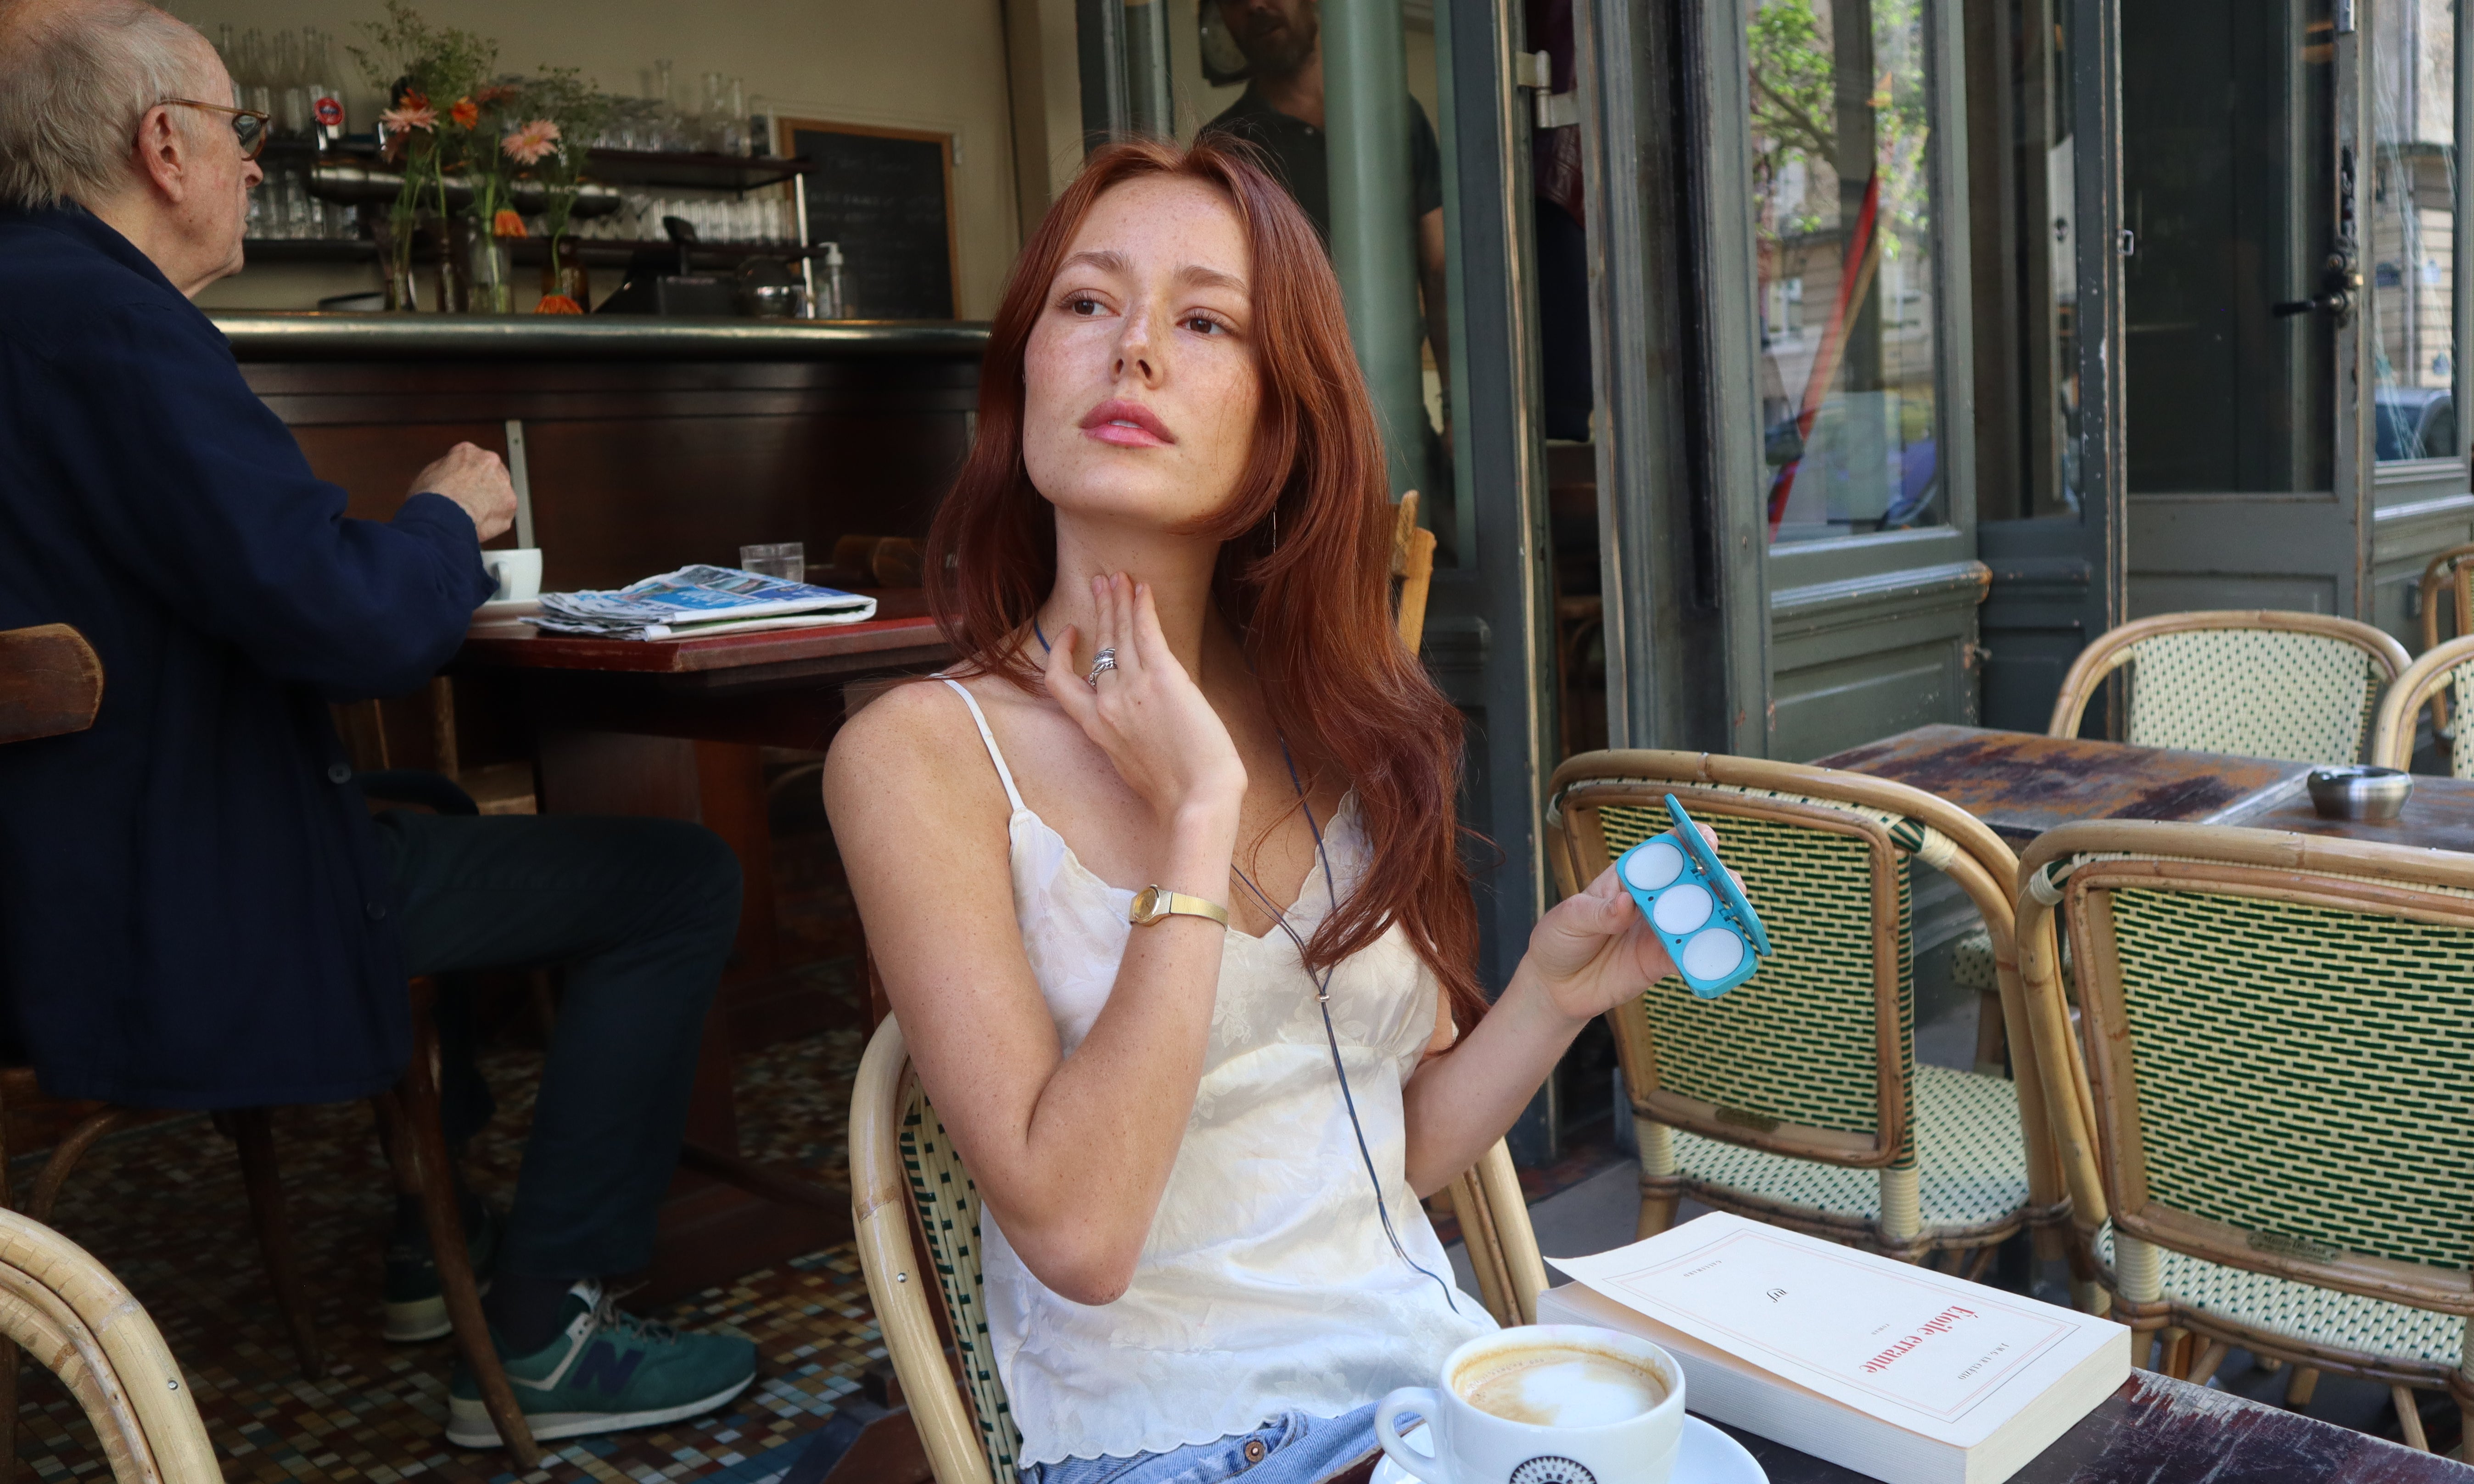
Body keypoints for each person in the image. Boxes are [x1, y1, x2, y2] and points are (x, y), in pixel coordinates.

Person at [824, 135, 1688, 1484]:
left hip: (1436, 1399)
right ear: (1024, 373)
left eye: (1205, 319)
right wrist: (1197, 818)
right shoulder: (920, 756)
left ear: (1281, 422)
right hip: (1181, 1445)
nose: (1137, 352)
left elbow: (1379, 1157)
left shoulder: (1339, 720)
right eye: (1089, 302)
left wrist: (1553, 994)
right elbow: (1080, 1235)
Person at [0, 0, 756, 1448]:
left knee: (445, 818)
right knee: (677, 879)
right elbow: (351, 623)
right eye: (239, 131)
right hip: (178, 903)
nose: (248, 162)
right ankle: (545, 1326)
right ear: (163, 145)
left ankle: (435, 1232)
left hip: (53, 885)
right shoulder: (114, 324)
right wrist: (445, 515)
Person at [1201, 0, 1449, 463]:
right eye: (1233, 0)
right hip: (1293, 441)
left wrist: (1458, 410)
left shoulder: (1395, 116)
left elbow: (1439, 272)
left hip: (1402, 418)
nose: (1255, 5)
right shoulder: (1224, 152)